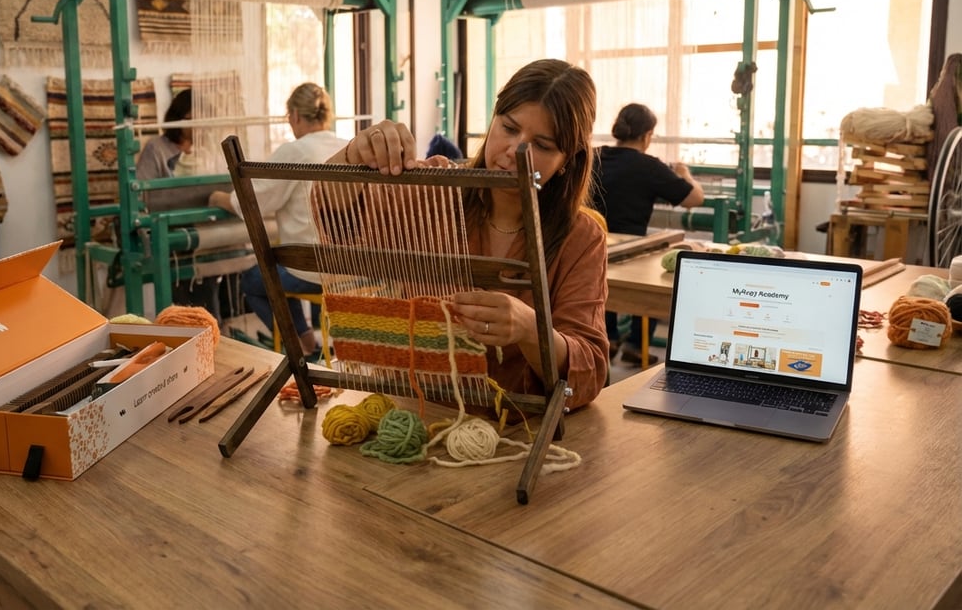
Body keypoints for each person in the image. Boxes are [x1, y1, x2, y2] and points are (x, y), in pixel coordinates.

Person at [327, 58, 609, 412]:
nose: (515, 151)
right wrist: (355, 154)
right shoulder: (434, 190)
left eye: (543, 144)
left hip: (516, 428)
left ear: (568, 159)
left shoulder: (581, 238)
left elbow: (589, 370)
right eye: (508, 128)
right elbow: (333, 212)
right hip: (420, 413)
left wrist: (529, 329)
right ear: (493, 120)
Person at [210, 83, 347, 356]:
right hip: (349, 266)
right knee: (277, 267)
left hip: (313, 269)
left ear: (295, 115)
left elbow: (251, 202)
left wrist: (217, 198)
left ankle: (300, 344)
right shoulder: (346, 146)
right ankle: (307, 341)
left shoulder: (295, 152)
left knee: (253, 280)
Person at [592, 102, 704, 365]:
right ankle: (635, 344)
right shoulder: (648, 165)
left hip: (592, 245)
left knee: (601, 278)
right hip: (632, 250)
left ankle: (607, 338)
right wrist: (684, 173)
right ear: (647, 135)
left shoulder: (594, 156)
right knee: (654, 272)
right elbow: (694, 199)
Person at [135, 89, 222, 318]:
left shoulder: (207, 148)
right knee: (182, 300)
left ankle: (213, 334)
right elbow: (141, 192)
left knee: (209, 292)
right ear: (179, 118)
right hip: (173, 236)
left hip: (206, 233)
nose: (200, 126)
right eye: (194, 119)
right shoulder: (157, 149)